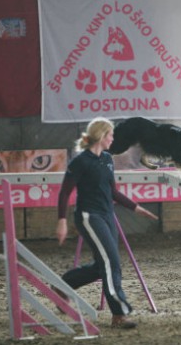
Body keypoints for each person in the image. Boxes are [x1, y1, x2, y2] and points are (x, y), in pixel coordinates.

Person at [55, 117, 158, 329]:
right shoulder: (80, 162)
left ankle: (63, 284)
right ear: (101, 136)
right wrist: (62, 221)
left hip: (107, 214)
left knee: (104, 265)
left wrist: (136, 208)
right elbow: (65, 192)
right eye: (111, 135)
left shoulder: (108, 159)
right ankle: (119, 314)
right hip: (88, 216)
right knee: (111, 263)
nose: (113, 139)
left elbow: (113, 192)